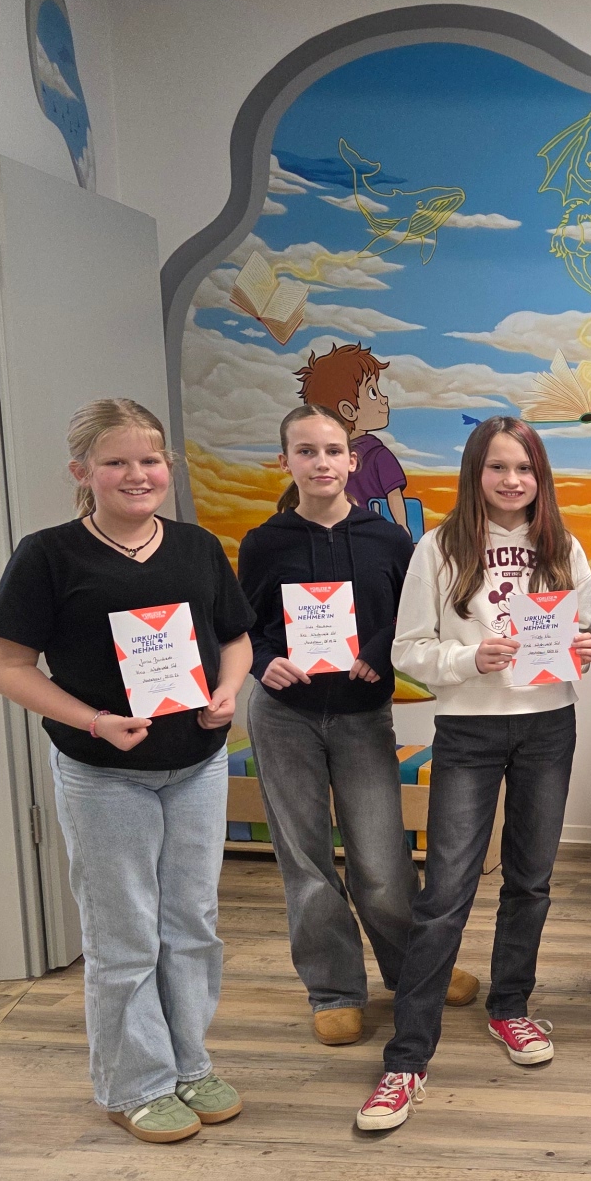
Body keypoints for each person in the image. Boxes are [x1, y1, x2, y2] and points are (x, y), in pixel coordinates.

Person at [0, 399, 254, 1143]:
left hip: (196, 765)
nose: (138, 474)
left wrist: (231, 688)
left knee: (191, 925)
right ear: (83, 472)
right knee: (124, 932)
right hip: (102, 771)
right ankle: (134, 1083)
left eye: (150, 460)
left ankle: (189, 1062)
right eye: (117, 461)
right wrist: (94, 721)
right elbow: (8, 667)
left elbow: (234, 639)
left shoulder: (197, 548)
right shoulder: (48, 555)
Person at [357, 416, 591, 1131]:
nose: (512, 481)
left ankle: (511, 1007)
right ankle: (406, 1061)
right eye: (498, 467)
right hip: (469, 730)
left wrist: (583, 647)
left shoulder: (563, 547)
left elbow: (587, 631)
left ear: (539, 475)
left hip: (549, 725)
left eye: (524, 468)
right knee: (447, 892)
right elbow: (408, 648)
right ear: (476, 473)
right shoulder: (439, 548)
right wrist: (471, 661)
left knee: (531, 879)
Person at [238, 405, 479, 1048]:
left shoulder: (389, 540)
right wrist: (267, 663)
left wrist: (374, 655)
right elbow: (243, 629)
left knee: (382, 859)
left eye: (333, 450)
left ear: (353, 459)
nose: (321, 463)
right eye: (305, 451)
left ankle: (413, 973)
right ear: (285, 460)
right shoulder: (264, 542)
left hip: (361, 713)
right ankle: (334, 990)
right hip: (284, 716)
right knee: (306, 858)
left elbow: (409, 619)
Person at [295, 342, 411, 538]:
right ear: (348, 410)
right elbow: (393, 495)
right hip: (372, 533)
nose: (384, 399)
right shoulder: (378, 454)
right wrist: (403, 530)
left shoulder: (334, 460)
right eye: (373, 393)